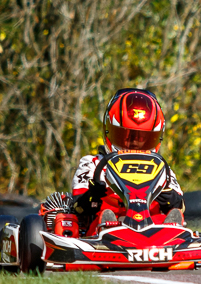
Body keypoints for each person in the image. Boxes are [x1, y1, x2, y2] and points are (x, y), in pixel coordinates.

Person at [68, 88, 186, 234]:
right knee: (104, 216)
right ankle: (108, 229)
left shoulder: (161, 168)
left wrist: (167, 196)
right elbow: (78, 207)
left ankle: (172, 232)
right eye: (126, 136)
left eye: (142, 138)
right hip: (107, 227)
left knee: (169, 218)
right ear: (110, 130)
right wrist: (94, 194)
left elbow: (179, 206)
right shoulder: (93, 163)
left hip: (153, 230)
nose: (134, 143)